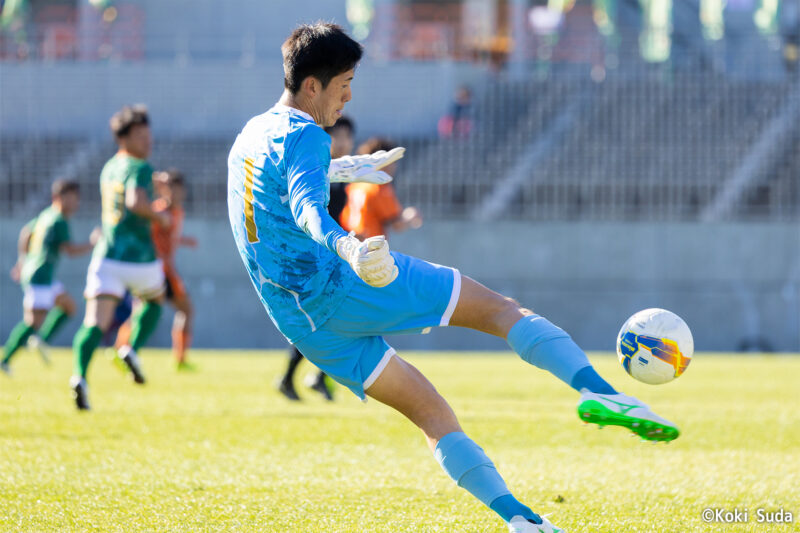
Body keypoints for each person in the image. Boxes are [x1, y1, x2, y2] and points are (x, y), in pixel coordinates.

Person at [227, 23, 678, 533]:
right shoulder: (309, 134)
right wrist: (349, 247)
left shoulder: (251, 134)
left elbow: (279, 185)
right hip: (343, 285)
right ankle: (600, 392)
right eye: (345, 83)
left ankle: (523, 521)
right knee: (501, 310)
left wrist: (348, 166)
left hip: (299, 321)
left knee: (431, 414)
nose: (349, 95)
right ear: (313, 85)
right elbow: (308, 208)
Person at [70, 104, 168, 410]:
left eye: (148, 134)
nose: (147, 141)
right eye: (140, 135)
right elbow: (135, 202)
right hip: (139, 258)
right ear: (123, 138)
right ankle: (132, 349)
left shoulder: (109, 167)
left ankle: (80, 377)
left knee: (94, 323)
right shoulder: (141, 166)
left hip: (106, 258)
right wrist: (159, 215)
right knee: (154, 301)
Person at [277, 117, 356, 401]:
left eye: (349, 136)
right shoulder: (316, 169)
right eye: (340, 136)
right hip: (312, 257)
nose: (346, 142)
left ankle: (313, 377)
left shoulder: (342, 175)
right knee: (320, 318)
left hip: (332, 256)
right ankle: (300, 378)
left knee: (332, 317)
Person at [2, 180, 98, 374]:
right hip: (40, 276)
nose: (75, 203)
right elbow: (70, 250)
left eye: (76, 199)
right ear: (58, 198)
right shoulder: (58, 220)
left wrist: (22, 261)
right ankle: (6, 359)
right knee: (32, 322)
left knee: (69, 307)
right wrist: (92, 244)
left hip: (42, 274)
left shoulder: (47, 215)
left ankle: (41, 339)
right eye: (71, 198)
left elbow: (26, 232)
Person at [115, 169, 198, 370]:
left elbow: (170, 236)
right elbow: (146, 236)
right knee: (184, 309)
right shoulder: (158, 211)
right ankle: (179, 359)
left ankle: (120, 351)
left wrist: (184, 241)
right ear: (165, 190)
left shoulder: (176, 211)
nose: (176, 194)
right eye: (172, 189)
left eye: (179, 190)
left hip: (164, 269)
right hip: (159, 270)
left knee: (142, 311)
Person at [340, 137, 422, 240]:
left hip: (347, 242)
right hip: (369, 245)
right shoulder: (379, 187)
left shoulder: (355, 184)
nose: (394, 166)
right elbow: (397, 225)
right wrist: (410, 216)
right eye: (393, 161)